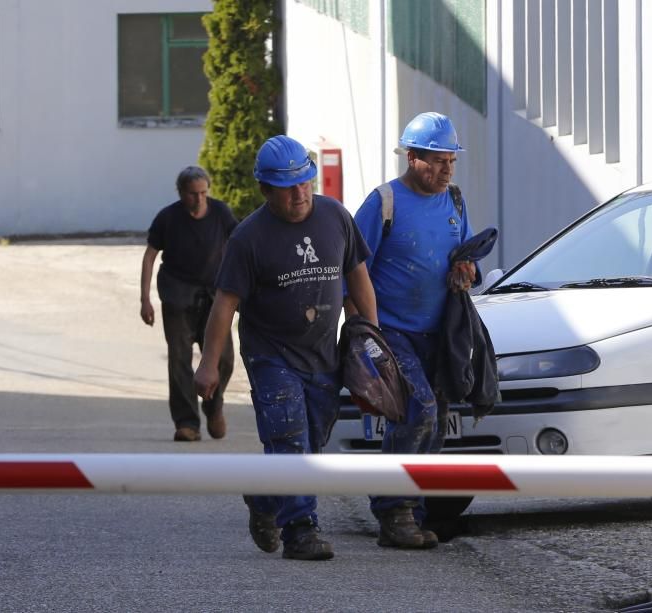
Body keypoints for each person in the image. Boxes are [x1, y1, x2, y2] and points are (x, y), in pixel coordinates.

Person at [194, 135, 378, 561]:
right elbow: (225, 305)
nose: (299, 195)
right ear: (265, 189)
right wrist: (208, 365)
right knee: (290, 436)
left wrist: (370, 337)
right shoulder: (249, 238)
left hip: (323, 356)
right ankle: (301, 529)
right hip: (271, 355)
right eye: (287, 187)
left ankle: (264, 496)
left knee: (311, 444)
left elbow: (359, 279)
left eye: (305, 183)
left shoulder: (335, 217)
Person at [345, 112, 478, 550]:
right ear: (413, 157)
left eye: (451, 162)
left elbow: (467, 252)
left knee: (436, 423)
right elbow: (352, 266)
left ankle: (413, 515)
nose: (446, 170)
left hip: (438, 333)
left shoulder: (455, 201)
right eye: (438, 161)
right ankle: (393, 510)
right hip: (392, 332)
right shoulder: (383, 203)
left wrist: (466, 268)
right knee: (418, 409)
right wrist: (363, 332)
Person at [140, 166, 237, 442]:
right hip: (178, 297)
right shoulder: (168, 218)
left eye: (203, 193)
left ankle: (213, 405)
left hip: (213, 297)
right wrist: (145, 299)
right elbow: (149, 256)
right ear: (181, 193)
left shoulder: (221, 213)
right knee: (179, 360)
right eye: (193, 194)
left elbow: (240, 244)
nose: (199, 200)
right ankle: (187, 423)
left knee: (224, 358)